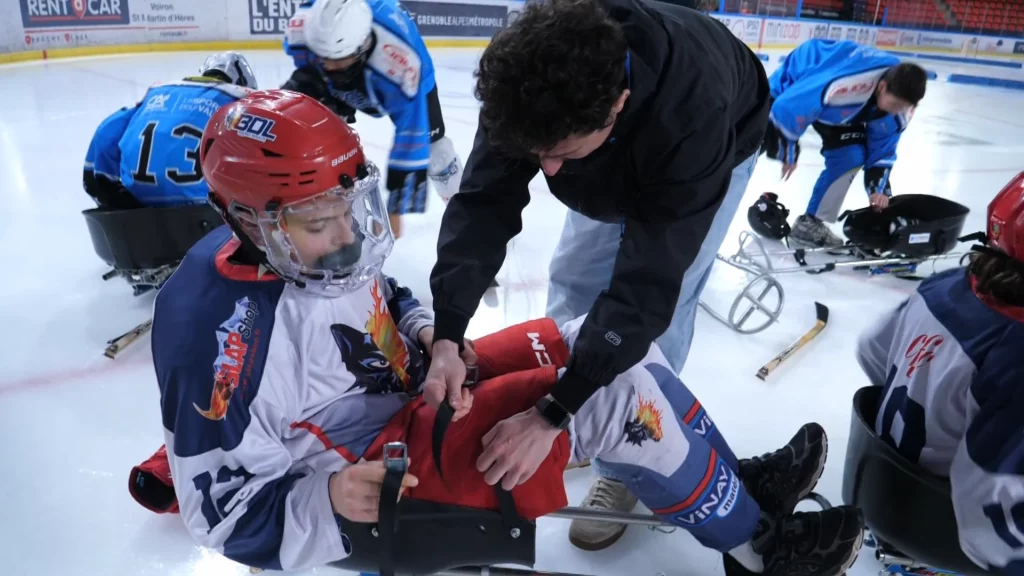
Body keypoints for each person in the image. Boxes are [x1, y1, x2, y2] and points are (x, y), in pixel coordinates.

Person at [139, 89, 864, 576]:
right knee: (618, 401)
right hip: (378, 467)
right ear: (250, 217)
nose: (346, 236)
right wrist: (326, 502)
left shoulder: (299, 243)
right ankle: (761, 552)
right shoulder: (220, 344)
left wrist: (427, 336)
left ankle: (733, 485)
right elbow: (221, 515)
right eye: (318, 221)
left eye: (348, 207)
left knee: (594, 343)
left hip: (411, 395)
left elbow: (378, 294)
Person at [425, 0, 772, 549]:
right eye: (534, 153)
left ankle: (629, 451)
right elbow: (484, 205)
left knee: (663, 316)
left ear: (618, 105)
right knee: (575, 278)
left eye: (559, 153)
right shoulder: (524, 81)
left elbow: (646, 287)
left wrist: (553, 415)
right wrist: (447, 330)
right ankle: (577, 410)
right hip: (608, 142)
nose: (547, 170)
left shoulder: (692, 115)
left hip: (717, 137)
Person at [855, 172, 1024, 574]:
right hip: (943, 527)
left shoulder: (946, 285)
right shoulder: (1015, 356)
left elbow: (872, 350)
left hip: (887, 490)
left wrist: (935, 400)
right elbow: (987, 496)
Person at [281, 0, 462, 239]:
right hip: (342, 60)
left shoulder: (401, 64)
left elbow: (411, 133)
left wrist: (395, 211)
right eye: (326, 58)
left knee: (437, 151)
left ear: (363, 46)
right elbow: (309, 74)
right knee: (323, 140)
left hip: (395, 73)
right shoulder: (300, 33)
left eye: (339, 59)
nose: (331, 67)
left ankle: (464, 210)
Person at [762, 39, 928, 248]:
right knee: (752, 142)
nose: (898, 110)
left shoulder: (900, 106)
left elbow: (884, 147)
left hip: (845, 109)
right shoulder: (845, 83)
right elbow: (788, 107)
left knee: (851, 156)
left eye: (903, 106)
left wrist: (878, 188)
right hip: (803, 79)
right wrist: (788, 151)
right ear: (882, 87)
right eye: (895, 104)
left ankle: (810, 224)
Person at [83, 52, 257, 210]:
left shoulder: (156, 93)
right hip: (203, 214)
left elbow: (104, 134)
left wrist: (110, 194)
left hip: (137, 211)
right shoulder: (241, 100)